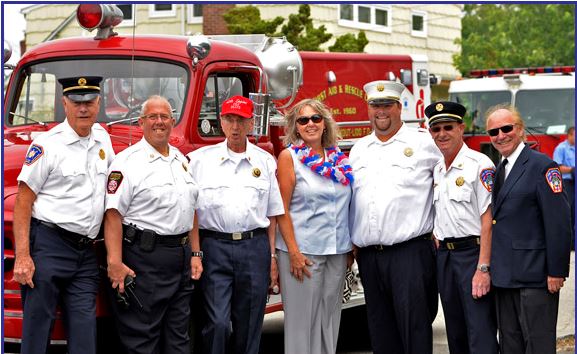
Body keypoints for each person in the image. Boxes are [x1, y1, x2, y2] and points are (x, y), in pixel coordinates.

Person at [12, 76, 114, 354]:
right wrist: (23, 256)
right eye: (77, 102)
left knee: (85, 335)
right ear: (64, 104)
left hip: (86, 254)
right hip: (49, 248)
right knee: (37, 331)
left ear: (98, 103)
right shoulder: (47, 145)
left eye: (89, 102)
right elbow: (23, 201)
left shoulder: (103, 138)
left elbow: (114, 188)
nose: (84, 108)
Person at [348, 80, 441, 354]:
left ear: (399, 107)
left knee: (414, 330)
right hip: (369, 256)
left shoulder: (424, 142)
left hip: (410, 253)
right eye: (375, 105)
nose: (381, 111)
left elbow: (448, 180)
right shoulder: (359, 149)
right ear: (368, 109)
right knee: (380, 332)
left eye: (387, 105)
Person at [187, 95, 284, 354]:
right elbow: (191, 212)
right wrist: (196, 252)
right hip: (215, 247)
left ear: (251, 123)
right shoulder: (199, 161)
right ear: (221, 122)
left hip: (254, 248)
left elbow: (273, 214)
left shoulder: (265, 162)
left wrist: (272, 256)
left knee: (249, 324)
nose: (235, 126)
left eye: (241, 120)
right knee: (217, 323)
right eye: (230, 119)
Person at [104, 95, 199, 354]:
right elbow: (113, 215)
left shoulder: (180, 160)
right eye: (152, 117)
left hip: (179, 259)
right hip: (144, 259)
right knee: (142, 339)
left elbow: (191, 209)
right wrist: (114, 263)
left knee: (179, 339)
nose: (159, 122)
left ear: (172, 120)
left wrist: (195, 253)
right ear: (141, 122)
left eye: (164, 117)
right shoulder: (128, 162)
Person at [486, 105, 571, 354]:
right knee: (510, 345)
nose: (500, 135)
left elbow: (559, 223)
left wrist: (556, 271)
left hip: (535, 277)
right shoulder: (499, 168)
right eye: (493, 131)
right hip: (504, 277)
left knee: (537, 345)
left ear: (520, 130)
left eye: (506, 128)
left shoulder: (542, 166)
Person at [275, 99, 354, 354]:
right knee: (302, 325)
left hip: (337, 251)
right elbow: (282, 210)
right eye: (303, 120)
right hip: (303, 253)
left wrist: (351, 248)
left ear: (325, 123)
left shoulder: (338, 158)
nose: (310, 124)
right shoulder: (289, 157)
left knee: (329, 320)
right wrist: (294, 252)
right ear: (295, 127)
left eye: (316, 119)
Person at [426, 101, 498, 354]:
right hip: (445, 256)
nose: (442, 134)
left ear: (461, 128)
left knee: (480, 330)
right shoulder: (437, 169)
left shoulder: (480, 165)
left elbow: (488, 221)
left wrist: (483, 268)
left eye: (448, 127)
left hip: (472, 255)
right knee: (455, 331)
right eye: (436, 129)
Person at [553, 126, 575, 243]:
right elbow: (557, 168)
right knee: (569, 211)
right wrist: (572, 170)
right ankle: (569, 241)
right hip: (567, 183)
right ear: (570, 135)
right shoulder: (561, 148)